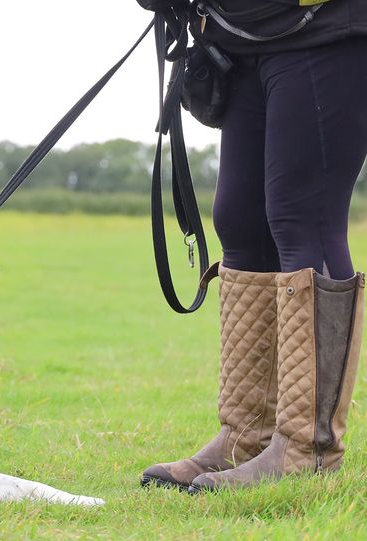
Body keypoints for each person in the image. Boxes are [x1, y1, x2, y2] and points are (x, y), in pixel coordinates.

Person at [139, 0, 367, 492]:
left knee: (303, 217)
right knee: (240, 222)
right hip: (238, 38)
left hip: (323, 27)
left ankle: (307, 447)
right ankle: (247, 436)